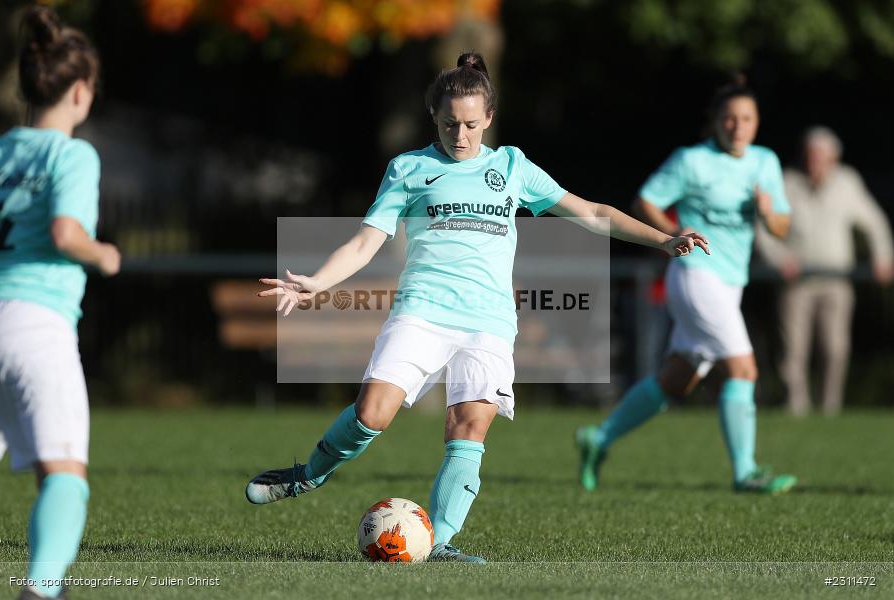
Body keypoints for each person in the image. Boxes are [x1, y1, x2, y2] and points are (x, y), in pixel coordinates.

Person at [246, 52, 709, 563]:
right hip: (421, 310)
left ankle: (439, 542)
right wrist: (317, 282)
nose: (460, 135)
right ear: (434, 118)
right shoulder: (410, 169)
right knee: (371, 413)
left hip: (488, 322)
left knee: (469, 427)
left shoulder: (512, 166)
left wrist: (664, 240)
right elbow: (364, 242)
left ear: (489, 118)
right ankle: (309, 474)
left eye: (470, 124)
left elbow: (594, 213)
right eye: (449, 124)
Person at [576, 76, 797, 495]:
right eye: (729, 118)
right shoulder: (691, 160)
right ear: (716, 121)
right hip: (695, 275)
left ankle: (598, 438)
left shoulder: (765, 162)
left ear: (757, 122)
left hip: (731, 283)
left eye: (746, 118)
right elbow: (645, 200)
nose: (738, 126)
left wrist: (768, 214)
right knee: (743, 367)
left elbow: (783, 225)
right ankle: (746, 472)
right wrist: (674, 231)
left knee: (677, 380)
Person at [0, 7, 120, 599]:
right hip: (34, 325)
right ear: (79, 90)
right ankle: (41, 590)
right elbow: (67, 234)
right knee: (63, 473)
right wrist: (104, 255)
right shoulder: (71, 154)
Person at [756, 126, 894, 416]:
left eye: (821, 156)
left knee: (835, 347)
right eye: (810, 155)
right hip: (797, 280)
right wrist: (779, 259)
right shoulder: (788, 182)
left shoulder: (848, 182)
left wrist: (883, 258)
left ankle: (831, 409)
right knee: (793, 348)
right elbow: (763, 228)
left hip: (837, 280)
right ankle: (796, 407)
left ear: (834, 158)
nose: (814, 161)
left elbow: (875, 223)